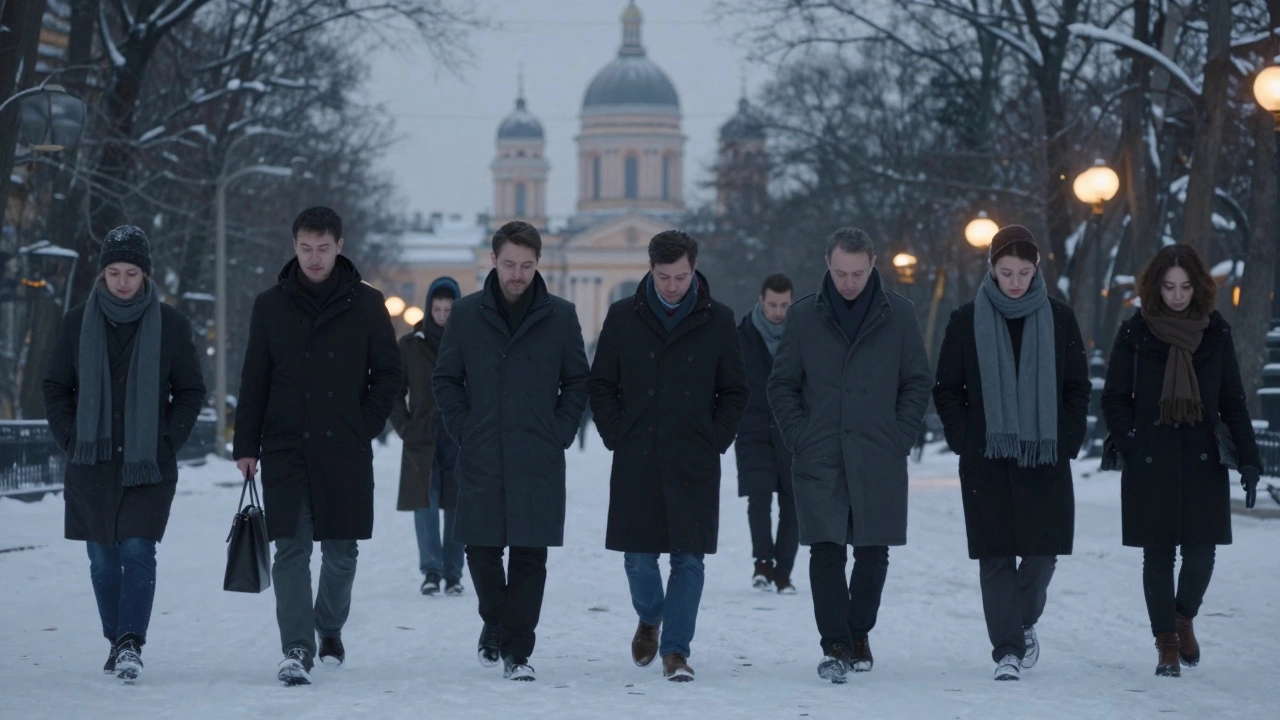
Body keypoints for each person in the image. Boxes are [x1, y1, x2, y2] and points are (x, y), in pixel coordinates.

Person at [233, 206, 401, 686]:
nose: (313, 258)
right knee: (290, 549)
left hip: (343, 447)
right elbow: (254, 381)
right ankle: (297, 648)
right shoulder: (270, 305)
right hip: (285, 445)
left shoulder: (367, 304)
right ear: (295, 246)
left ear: (339, 246)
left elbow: (388, 373)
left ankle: (329, 626)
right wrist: (246, 444)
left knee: (342, 552)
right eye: (305, 248)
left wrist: (362, 423)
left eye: (322, 248)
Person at [41, 225, 206, 681]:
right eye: (113, 272)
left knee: (137, 549)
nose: (122, 281)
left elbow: (191, 391)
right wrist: (72, 439)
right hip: (92, 462)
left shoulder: (171, 325)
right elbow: (55, 386)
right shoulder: (77, 322)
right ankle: (115, 638)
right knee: (101, 560)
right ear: (102, 275)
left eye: (131, 272)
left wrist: (166, 440)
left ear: (146, 275)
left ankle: (131, 642)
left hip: (146, 464)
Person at [766, 227, 931, 684]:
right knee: (826, 550)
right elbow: (781, 384)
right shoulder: (803, 317)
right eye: (840, 272)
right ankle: (835, 643)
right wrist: (800, 435)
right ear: (827, 264)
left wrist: (900, 434)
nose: (848, 282)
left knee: (873, 551)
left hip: (879, 450)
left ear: (873, 264)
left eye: (857, 273)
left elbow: (916, 381)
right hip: (820, 452)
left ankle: (860, 632)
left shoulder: (899, 314)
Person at [432, 220, 589, 682]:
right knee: (480, 551)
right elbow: (445, 380)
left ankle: (518, 651)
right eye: (509, 264)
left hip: (537, 454)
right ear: (494, 261)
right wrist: (465, 428)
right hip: (481, 451)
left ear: (538, 263)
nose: (517, 274)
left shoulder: (560, 315)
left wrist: (559, 430)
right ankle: (497, 622)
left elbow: (578, 380)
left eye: (526, 265)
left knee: (529, 556)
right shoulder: (465, 314)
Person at [589, 230, 748, 683]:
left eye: (681, 276)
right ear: (651, 270)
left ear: (694, 269)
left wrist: (715, 437)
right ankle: (651, 616)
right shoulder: (623, 316)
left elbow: (735, 389)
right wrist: (617, 433)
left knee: (689, 560)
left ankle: (676, 651)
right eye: (664, 277)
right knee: (638, 559)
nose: (673, 286)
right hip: (637, 454)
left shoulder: (718, 320)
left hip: (692, 456)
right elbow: (601, 385)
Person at [932, 226, 1090, 681]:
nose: (1015, 281)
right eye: (1006, 272)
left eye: (1023, 272)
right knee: (995, 556)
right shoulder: (967, 320)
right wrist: (968, 439)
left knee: (1043, 554)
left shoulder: (1059, 319)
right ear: (992, 270)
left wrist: (1064, 439)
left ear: (1037, 268)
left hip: (1044, 457)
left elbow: (1077, 388)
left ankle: (1019, 622)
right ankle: (1007, 650)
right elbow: (947, 389)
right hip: (988, 458)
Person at [1101, 243, 1262, 678]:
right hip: (1150, 457)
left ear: (1198, 288)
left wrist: (1249, 460)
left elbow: (1232, 400)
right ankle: (1166, 644)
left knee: (1201, 554)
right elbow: (1114, 397)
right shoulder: (1135, 333)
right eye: (1169, 287)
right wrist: (1131, 439)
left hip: (1201, 457)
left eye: (1185, 286)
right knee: (1157, 555)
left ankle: (1183, 617)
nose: (1177, 295)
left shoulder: (1216, 333)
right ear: (1156, 287)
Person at [390, 276, 464, 596]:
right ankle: (431, 570)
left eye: (449, 309)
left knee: (459, 508)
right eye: (438, 308)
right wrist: (405, 426)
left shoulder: (468, 345)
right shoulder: (410, 345)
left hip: (459, 439)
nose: (443, 315)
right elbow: (395, 390)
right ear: (428, 307)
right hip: (421, 437)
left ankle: (454, 573)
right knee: (426, 505)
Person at [734, 272, 799, 594]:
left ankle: (783, 571)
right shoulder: (742, 335)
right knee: (758, 499)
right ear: (761, 300)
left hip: (792, 431)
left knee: (793, 503)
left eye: (784, 305)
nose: (778, 312)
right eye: (773, 304)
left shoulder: (802, 335)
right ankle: (762, 563)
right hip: (753, 428)